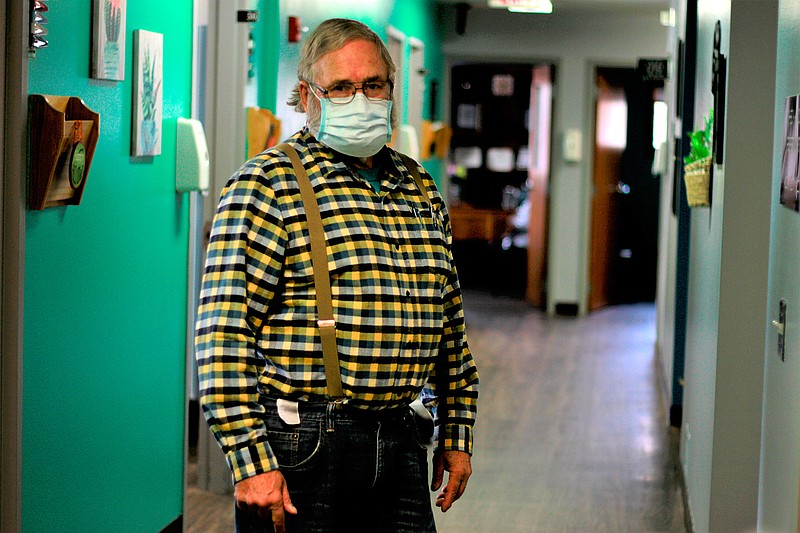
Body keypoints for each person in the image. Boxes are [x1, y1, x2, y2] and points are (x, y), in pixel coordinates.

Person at [195, 18, 479, 533]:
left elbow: (450, 329)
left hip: (402, 439)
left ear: (391, 91)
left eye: (373, 85)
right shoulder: (267, 186)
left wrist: (457, 433)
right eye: (342, 88)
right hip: (304, 442)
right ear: (306, 96)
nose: (361, 99)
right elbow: (223, 336)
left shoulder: (419, 187)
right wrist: (249, 460)